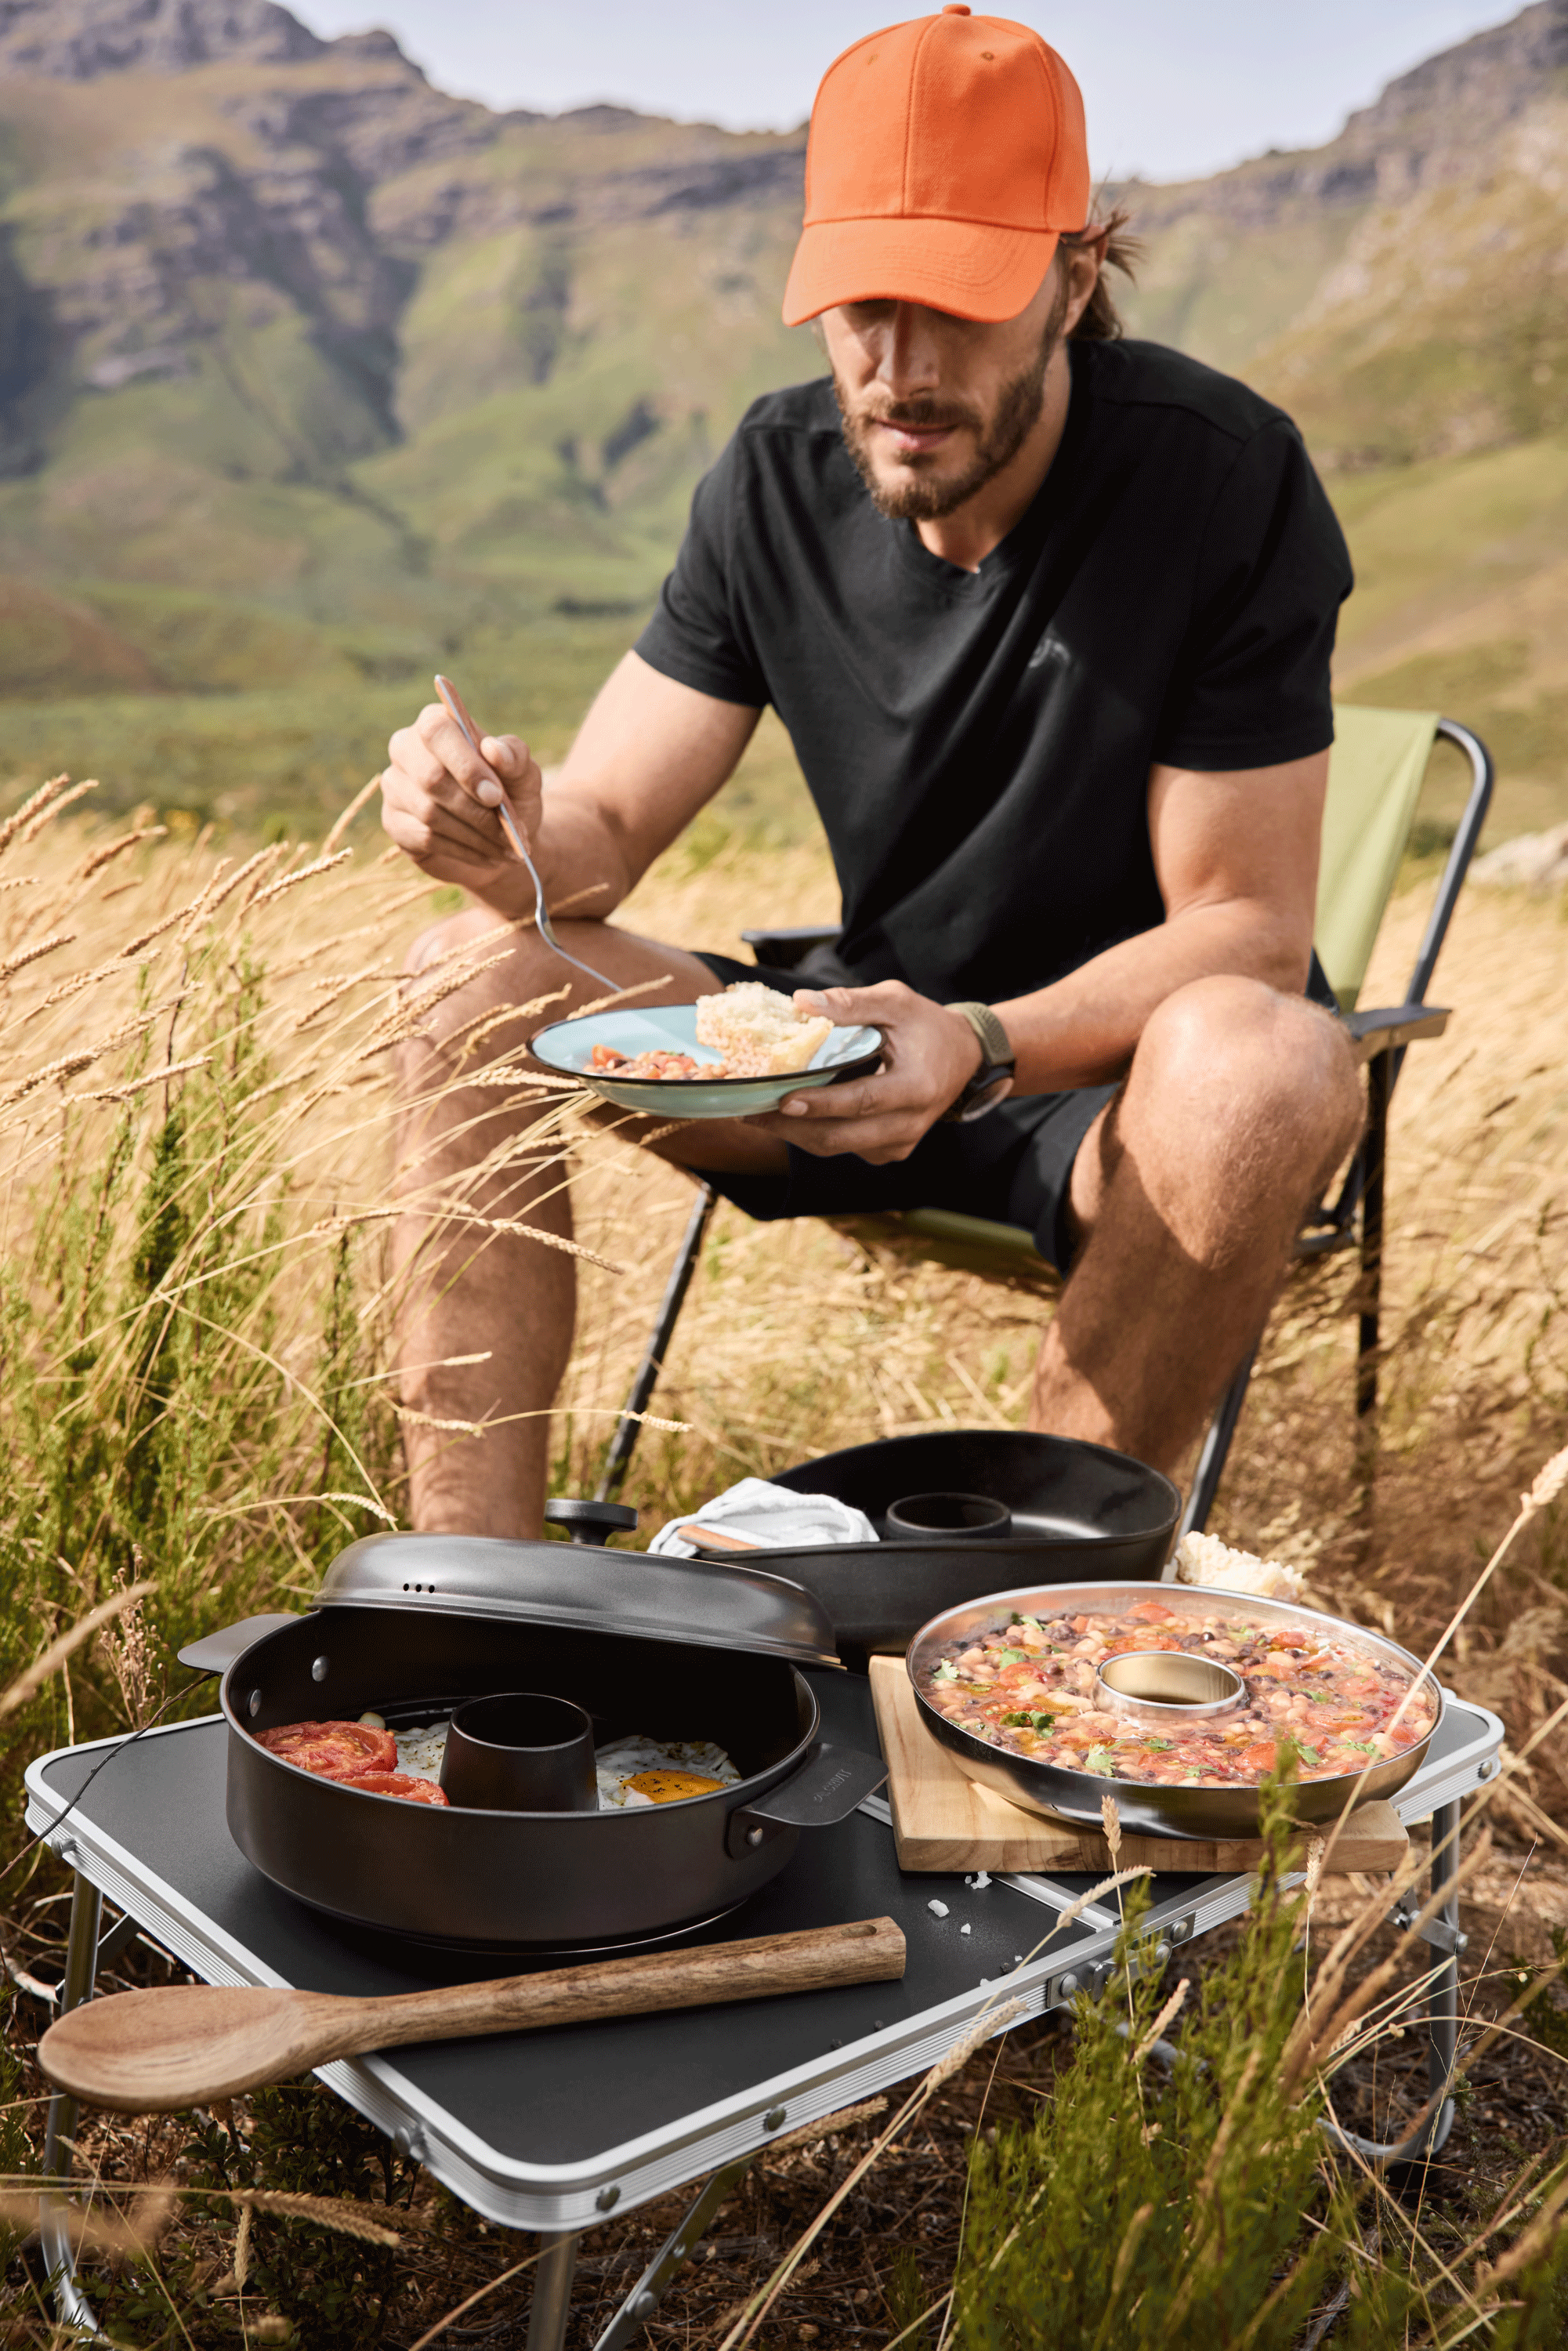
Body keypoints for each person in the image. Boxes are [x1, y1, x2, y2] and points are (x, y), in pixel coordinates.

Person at [379, 5, 1364, 1538]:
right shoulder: (771, 478)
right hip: (830, 1058)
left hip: (1104, 1099)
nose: (897, 372)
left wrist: (974, 1041)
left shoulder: (1218, 478)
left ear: (1073, 273)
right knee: (465, 975)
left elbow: (1245, 933)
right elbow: (603, 833)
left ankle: (1032, 1609)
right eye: (857, 307)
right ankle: (471, 1604)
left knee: (1270, 1059)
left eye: (956, 305)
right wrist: (489, 828)